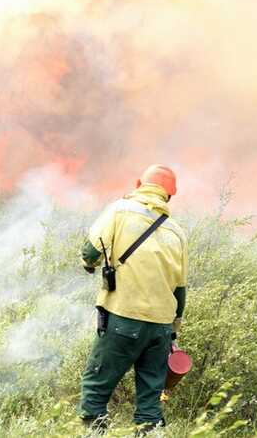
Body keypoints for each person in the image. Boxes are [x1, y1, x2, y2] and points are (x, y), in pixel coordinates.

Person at [79, 164, 188, 433]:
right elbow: (180, 290)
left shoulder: (119, 210)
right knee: (150, 403)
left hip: (122, 319)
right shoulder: (177, 233)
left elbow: (90, 250)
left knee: (95, 387)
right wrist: (172, 331)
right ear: (169, 196)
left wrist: (89, 263)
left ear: (139, 185)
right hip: (160, 329)